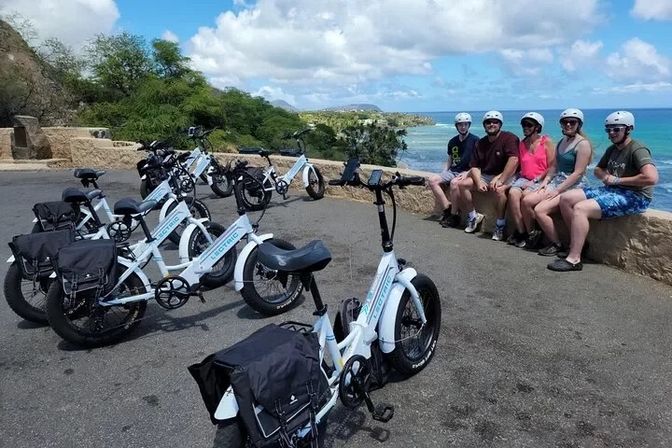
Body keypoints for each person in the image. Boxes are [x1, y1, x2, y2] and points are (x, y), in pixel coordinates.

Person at [547, 110, 658, 271]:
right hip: (613, 189)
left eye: (616, 129)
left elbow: (651, 178)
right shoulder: (612, 149)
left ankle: (574, 259)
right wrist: (606, 176)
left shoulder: (637, 149)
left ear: (628, 129)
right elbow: (598, 170)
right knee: (566, 198)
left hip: (636, 196)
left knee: (580, 208)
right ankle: (578, 243)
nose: (611, 133)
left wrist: (619, 180)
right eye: (609, 130)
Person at [531, 108, 592, 255]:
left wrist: (557, 190)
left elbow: (578, 173)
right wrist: (546, 181)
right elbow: (554, 167)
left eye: (572, 122)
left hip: (572, 185)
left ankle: (563, 243)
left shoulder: (583, 144)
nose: (568, 125)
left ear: (579, 124)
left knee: (540, 210)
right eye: (565, 122)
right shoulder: (561, 142)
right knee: (528, 199)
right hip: (557, 182)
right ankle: (536, 236)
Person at [455, 110, 519, 241]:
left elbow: (514, 161)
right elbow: (474, 166)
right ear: (484, 125)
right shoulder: (481, 143)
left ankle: (500, 224)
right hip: (486, 175)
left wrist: (501, 179)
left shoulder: (509, 138)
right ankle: (473, 217)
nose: (491, 124)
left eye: (495, 122)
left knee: (499, 191)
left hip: (507, 174)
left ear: (500, 124)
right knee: (462, 185)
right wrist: (478, 182)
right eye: (488, 122)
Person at [506, 112, 554, 247]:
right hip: (524, 178)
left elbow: (552, 166)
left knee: (526, 196)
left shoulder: (546, 142)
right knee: (512, 193)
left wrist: (536, 180)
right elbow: (518, 165)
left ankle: (533, 232)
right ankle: (522, 232)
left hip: (542, 179)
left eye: (529, 125)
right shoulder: (522, 144)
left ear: (537, 127)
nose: (525, 127)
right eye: (523, 125)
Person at [427, 112, 478, 227]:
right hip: (453, 171)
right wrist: (444, 172)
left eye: (465, 124)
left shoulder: (475, 140)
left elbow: (478, 162)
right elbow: (450, 159)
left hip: (467, 172)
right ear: (457, 126)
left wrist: (468, 173)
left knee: (454, 183)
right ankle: (447, 209)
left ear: (469, 125)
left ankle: (454, 216)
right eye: (460, 125)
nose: (463, 127)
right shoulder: (452, 141)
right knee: (432, 180)